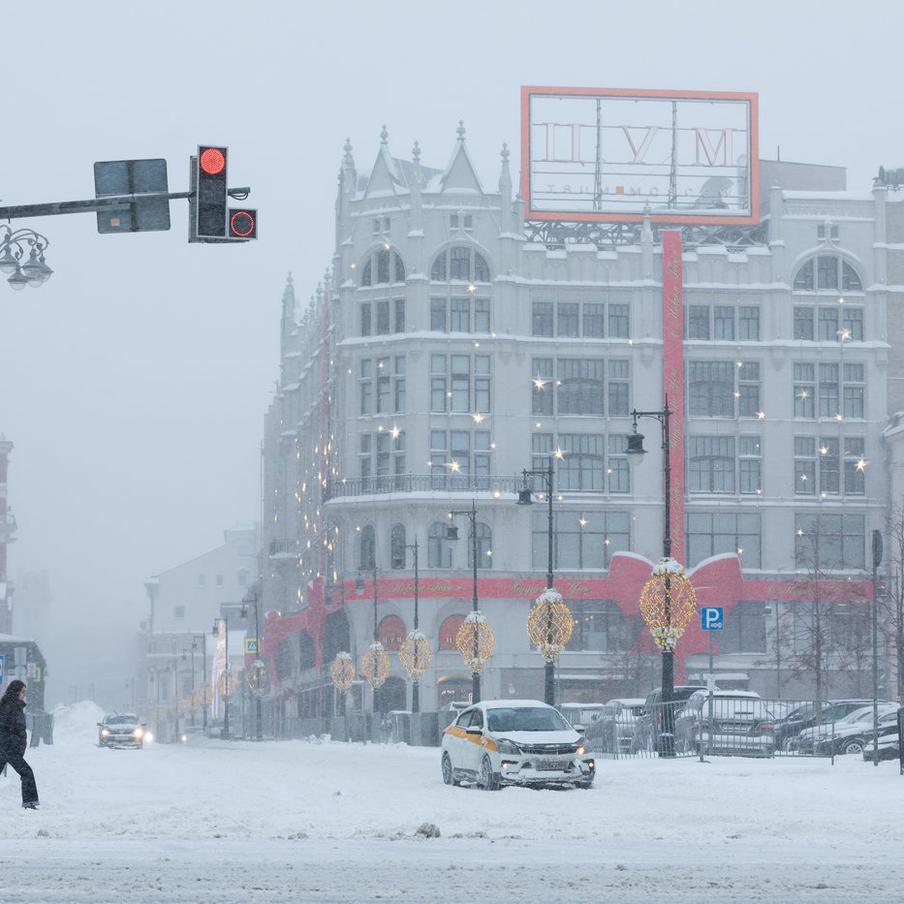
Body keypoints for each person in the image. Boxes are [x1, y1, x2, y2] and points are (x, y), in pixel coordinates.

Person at [0, 680, 39, 809]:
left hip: (8, 748)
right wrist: (12, 744)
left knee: (26, 773)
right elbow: (5, 728)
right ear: (15, 691)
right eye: (22, 692)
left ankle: (30, 803)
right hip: (8, 748)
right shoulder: (9, 707)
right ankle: (30, 803)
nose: (24, 695)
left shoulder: (14, 706)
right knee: (27, 773)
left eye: (25, 692)